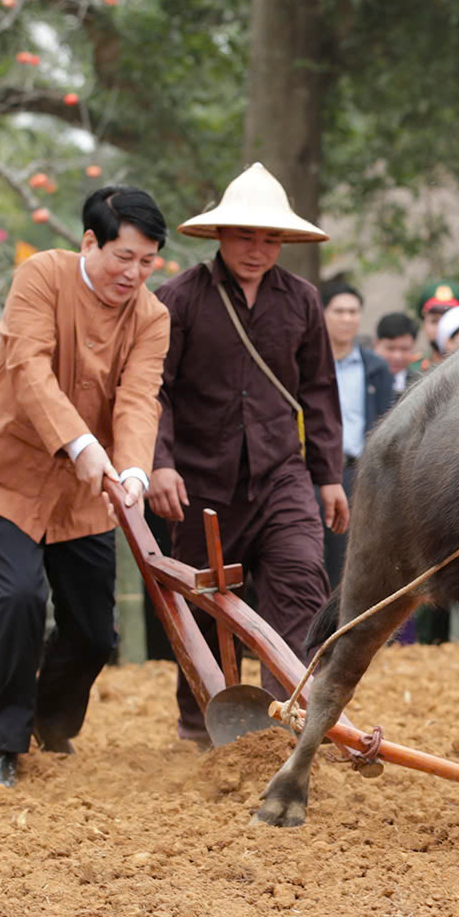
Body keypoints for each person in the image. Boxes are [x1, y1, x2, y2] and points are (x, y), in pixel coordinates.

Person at [0, 185, 172, 789]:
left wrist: (131, 472)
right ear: (90, 241)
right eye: (123, 257)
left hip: (85, 495)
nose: (134, 273)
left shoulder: (152, 317)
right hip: (8, 479)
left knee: (95, 630)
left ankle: (51, 720)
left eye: (147, 261)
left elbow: (137, 399)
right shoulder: (41, 275)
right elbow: (29, 371)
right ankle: (5, 743)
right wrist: (81, 446)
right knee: (20, 598)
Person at [147, 164, 348, 746]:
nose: (257, 250)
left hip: (283, 477)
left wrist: (329, 477)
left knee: (302, 584)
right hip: (198, 481)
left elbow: (318, 393)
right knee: (204, 605)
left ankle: (295, 720)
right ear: (220, 236)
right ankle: (199, 722)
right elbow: (153, 390)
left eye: (269, 238)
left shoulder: (303, 301)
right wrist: (160, 462)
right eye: (245, 236)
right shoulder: (178, 299)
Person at [320, 281, 394, 594]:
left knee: (348, 564)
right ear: (322, 314)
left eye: (353, 312)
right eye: (339, 311)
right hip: (312, 474)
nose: (347, 318)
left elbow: (385, 425)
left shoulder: (375, 367)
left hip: (357, 473)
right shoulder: (307, 361)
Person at [374, 313, 419, 393]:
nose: (397, 356)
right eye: (390, 348)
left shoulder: (419, 384)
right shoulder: (363, 380)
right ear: (376, 344)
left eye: (404, 349)